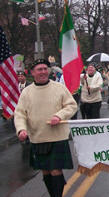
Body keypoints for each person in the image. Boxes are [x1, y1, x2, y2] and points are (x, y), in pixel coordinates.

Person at [14, 59, 77, 197]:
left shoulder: (59, 88)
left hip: (57, 136)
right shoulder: (27, 92)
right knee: (46, 171)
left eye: (45, 69)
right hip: (37, 137)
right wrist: (21, 129)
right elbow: (20, 113)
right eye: (39, 69)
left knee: (55, 170)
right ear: (32, 73)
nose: (43, 72)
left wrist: (59, 116)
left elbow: (71, 106)